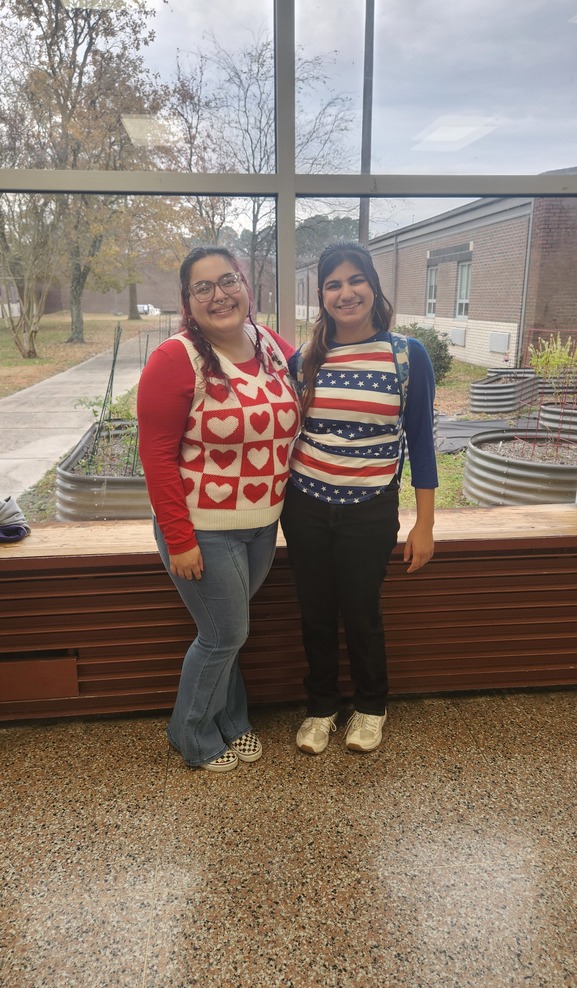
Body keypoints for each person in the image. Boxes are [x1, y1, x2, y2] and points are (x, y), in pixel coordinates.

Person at [137, 246, 299, 773]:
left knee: (230, 631)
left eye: (228, 281)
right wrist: (179, 538)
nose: (219, 295)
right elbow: (156, 457)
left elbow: (319, 378)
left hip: (262, 525)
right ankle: (192, 735)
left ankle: (233, 719)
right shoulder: (174, 359)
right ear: (187, 302)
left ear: (246, 287)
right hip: (202, 528)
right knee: (223, 634)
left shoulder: (270, 344)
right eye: (202, 287)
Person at [281, 241, 437, 756]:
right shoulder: (304, 359)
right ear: (322, 295)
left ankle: (371, 706)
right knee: (315, 612)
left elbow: (422, 444)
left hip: (370, 510)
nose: (345, 293)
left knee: (362, 612)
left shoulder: (406, 356)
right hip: (305, 505)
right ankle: (321, 706)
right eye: (333, 284)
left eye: (356, 280)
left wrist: (424, 525)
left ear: (373, 285)